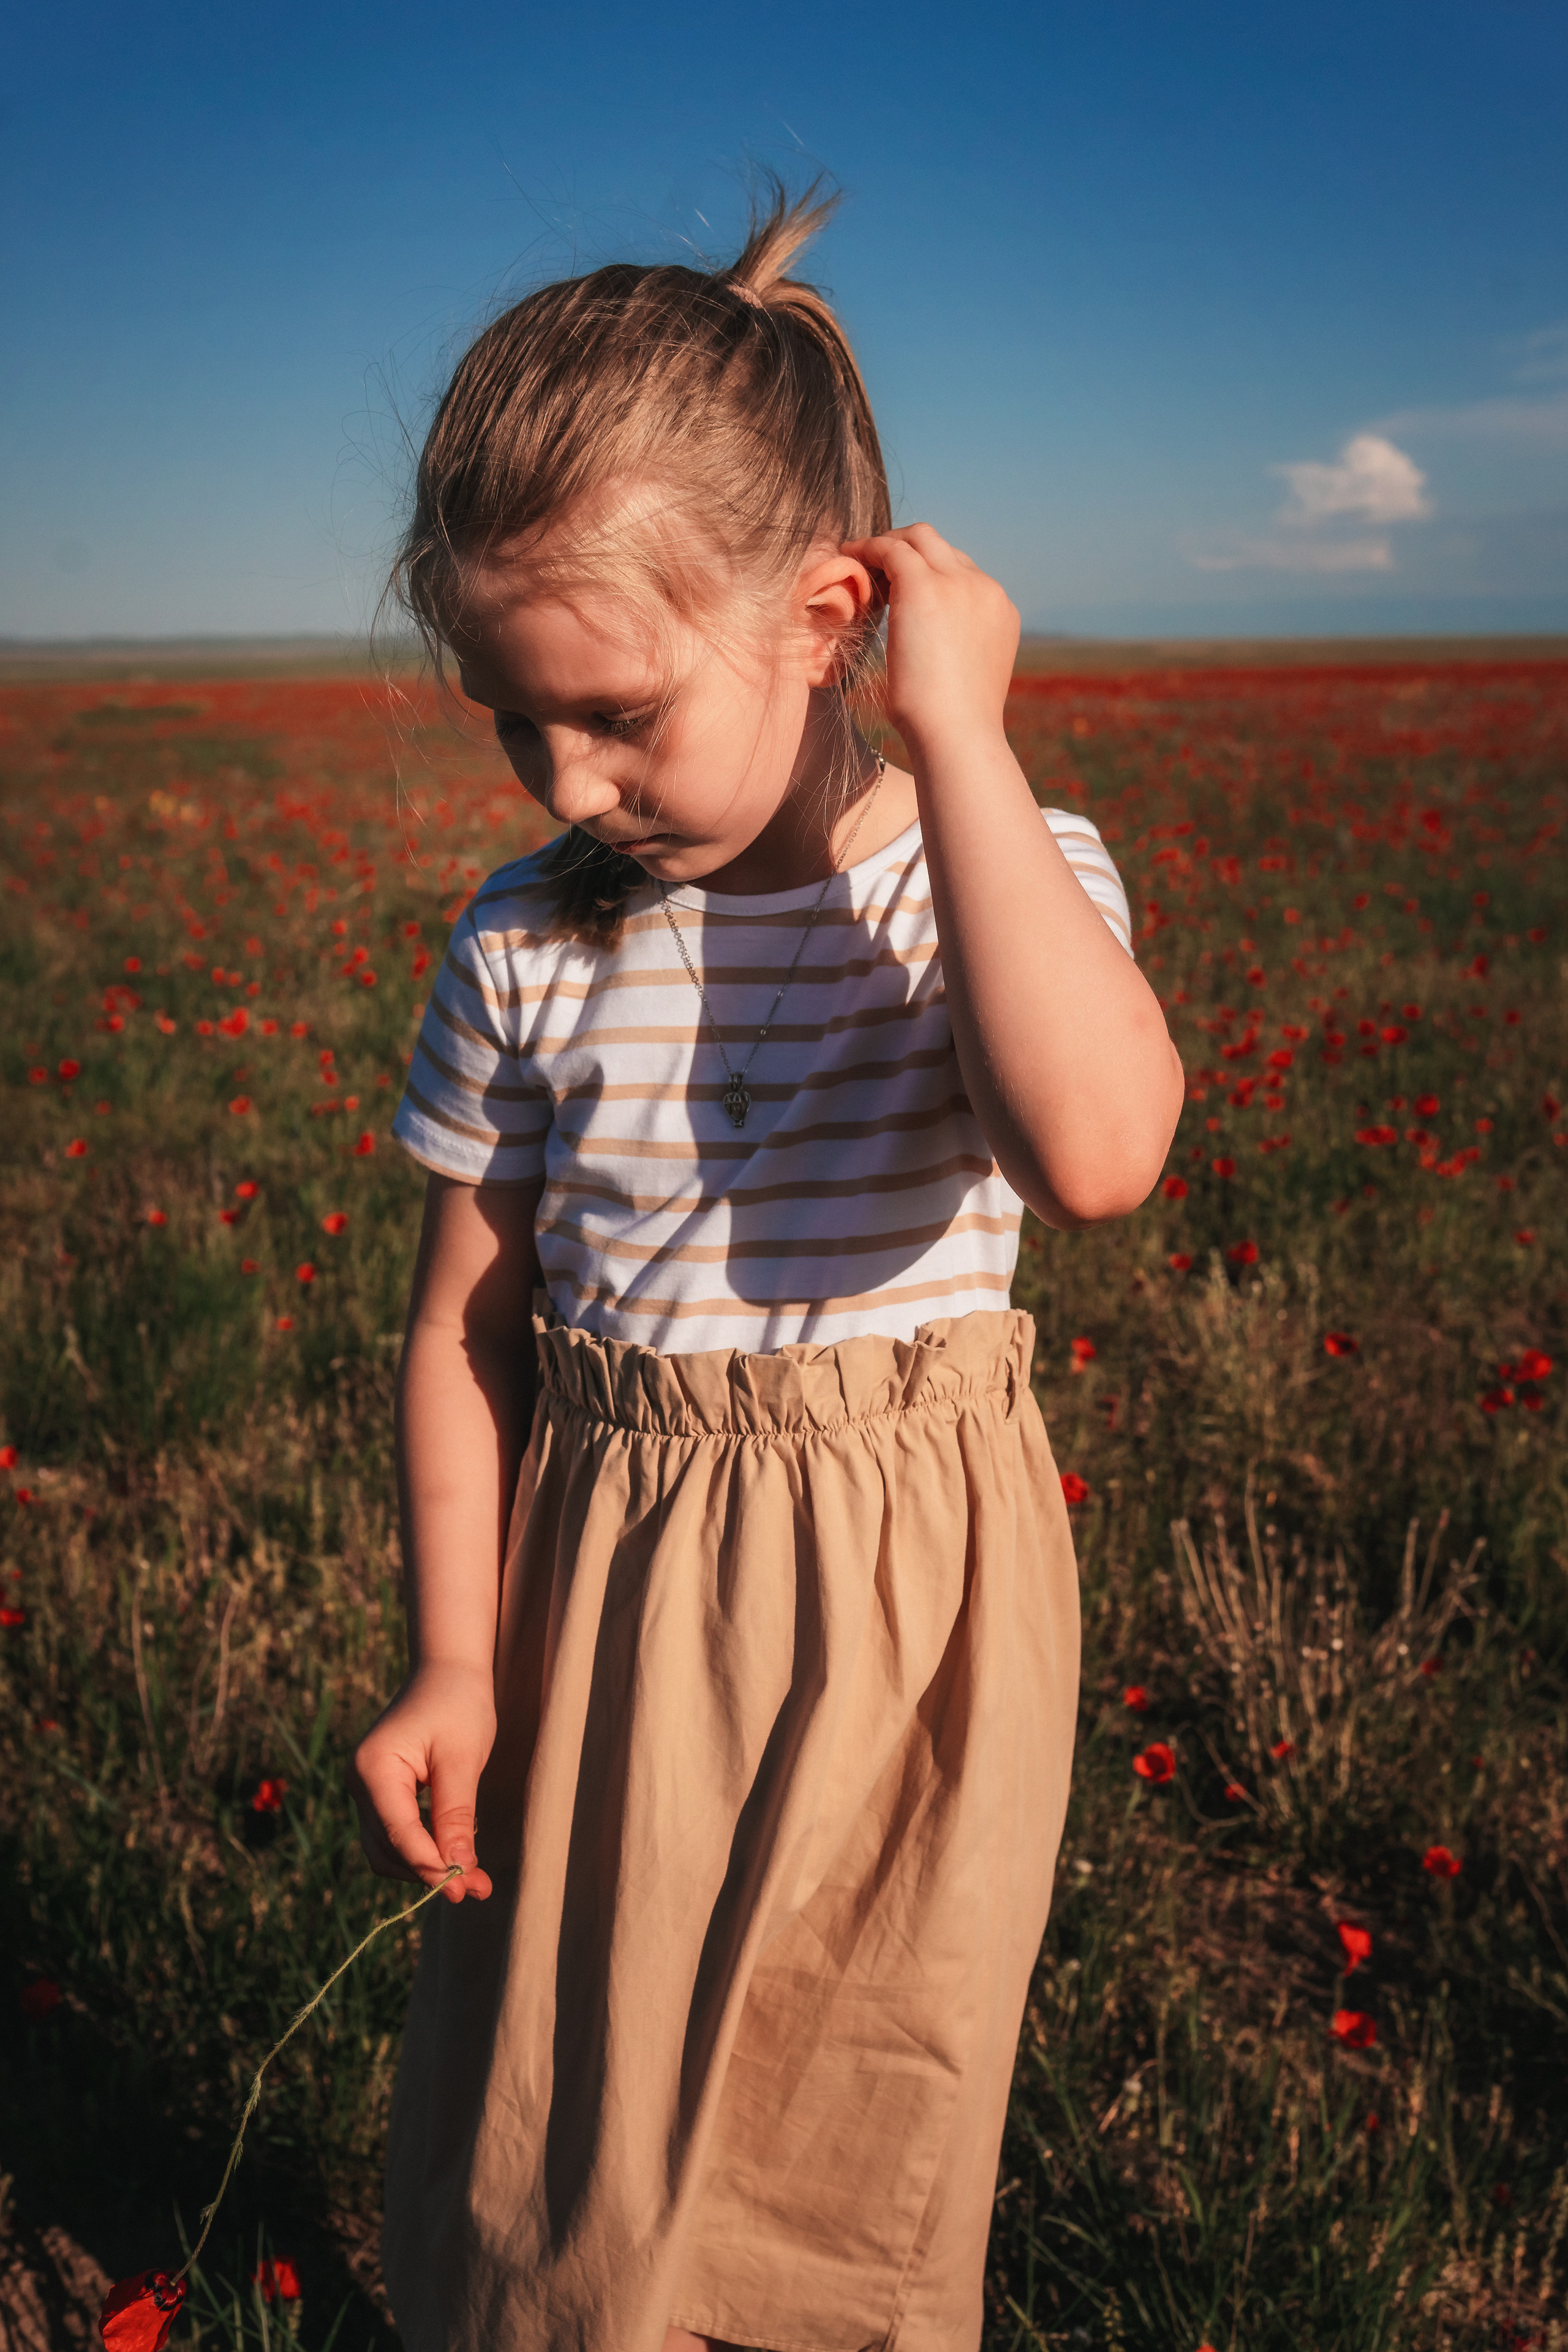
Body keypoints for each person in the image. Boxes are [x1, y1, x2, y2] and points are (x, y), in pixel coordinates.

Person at [349, 180, 1183, 2352]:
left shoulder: (994, 871)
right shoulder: (528, 942)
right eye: (515, 725)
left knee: (854, 2147)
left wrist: (968, 739)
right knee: (574, 2154)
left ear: (833, 617)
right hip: (606, 1589)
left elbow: (1096, 1156)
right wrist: (457, 1660)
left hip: (910, 1624)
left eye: (617, 711)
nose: (568, 779)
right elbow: (463, 1328)